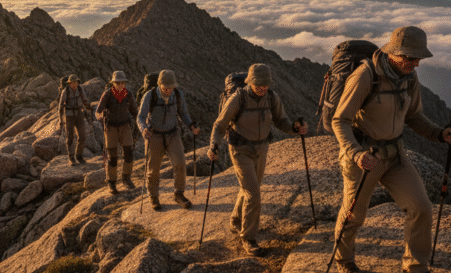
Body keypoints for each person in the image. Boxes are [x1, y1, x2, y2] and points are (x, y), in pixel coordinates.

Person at [332, 26, 451, 273]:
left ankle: (416, 272)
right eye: (411, 58)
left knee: (421, 208)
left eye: (418, 59)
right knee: (354, 215)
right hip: (365, 157)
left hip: (395, 155)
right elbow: (340, 120)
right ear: (394, 53)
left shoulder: (409, 78)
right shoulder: (365, 76)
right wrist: (356, 154)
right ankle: (343, 259)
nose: (416, 63)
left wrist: (440, 134)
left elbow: (413, 117)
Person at [208, 64, 307, 256]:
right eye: (259, 85)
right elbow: (220, 125)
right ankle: (248, 238)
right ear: (250, 82)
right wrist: (214, 145)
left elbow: (281, 121)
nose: (263, 88)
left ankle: (236, 221)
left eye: (265, 84)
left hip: (262, 149)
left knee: (249, 189)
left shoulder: (272, 97)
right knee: (253, 194)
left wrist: (295, 128)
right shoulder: (239, 98)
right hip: (240, 150)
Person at [137, 70, 200, 210]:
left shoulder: (177, 94)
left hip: (172, 134)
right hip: (154, 135)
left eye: (171, 87)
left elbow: (183, 113)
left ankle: (178, 194)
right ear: (159, 84)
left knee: (180, 163)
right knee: (153, 169)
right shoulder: (150, 95)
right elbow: (140, 117)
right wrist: (144, 129)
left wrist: (191, 125)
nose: (169, 90)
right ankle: (153, 196)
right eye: (166, 87)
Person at [95, 71, 139, 194]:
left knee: (129, 153)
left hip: (125, 126)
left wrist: (143, 121)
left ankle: (126, 178)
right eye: (118, 82)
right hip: (111, 127)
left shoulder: (128, 94)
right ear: (113, 83)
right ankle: (112, 183)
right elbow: (98, 111)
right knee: (112, 157)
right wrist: (100, 117)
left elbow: (134, 111)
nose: (121, 85)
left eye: (122, 82)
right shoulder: (107, 94)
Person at [58, 74, 90, 165]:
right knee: (70, 136)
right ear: (70, 83)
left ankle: (79, 156)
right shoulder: (66, 91)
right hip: (69, 115)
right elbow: (60, 106)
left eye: (77, 81)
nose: (76, 83)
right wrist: (61, 119)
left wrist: (89, 109)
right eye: (74, 82)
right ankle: (71, 158)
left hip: (79, 113)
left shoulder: (80, 89)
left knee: (82, 136)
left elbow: (85, 100)